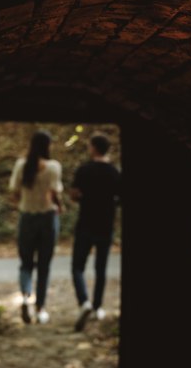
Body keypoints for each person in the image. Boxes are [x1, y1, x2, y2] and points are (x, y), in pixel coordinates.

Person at [9, 130, 64, 325]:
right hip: (47, 218)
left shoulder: (21, 165)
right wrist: (60, 206)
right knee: (44, 265)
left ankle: (25, 296)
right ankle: (40, 308)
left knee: (26, 263)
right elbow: (55, 193)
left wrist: (24, 202)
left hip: (27, 218)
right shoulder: (53, 167)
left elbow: (14, 192)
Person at [70, 133, 121, 332]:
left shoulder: (84, 169)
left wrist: (84, 198)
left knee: (77, 266)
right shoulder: (114, 172)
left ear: (93, 148)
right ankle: (98, 307)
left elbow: (74, 194)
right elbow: (121, 197)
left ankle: (84, 302)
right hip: (105, 225)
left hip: (85, 223)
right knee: (101, 268)